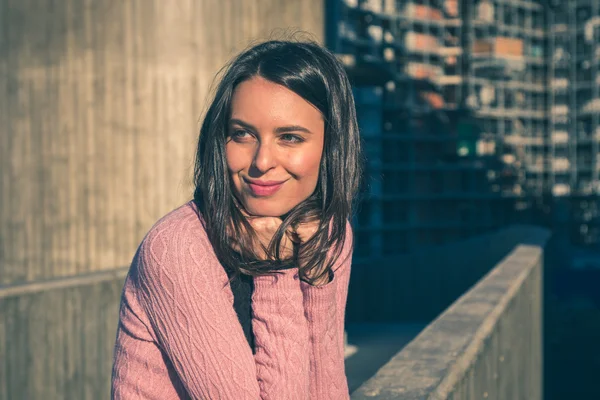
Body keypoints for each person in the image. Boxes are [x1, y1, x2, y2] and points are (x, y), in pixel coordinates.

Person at [111, 39, 362, 399]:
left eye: (289, 138)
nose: (261, 162)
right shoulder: (179, 249)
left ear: (331, 146)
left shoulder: (327, 233)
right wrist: (278, 270)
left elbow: (328, 386)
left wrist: (316, 277)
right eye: (242, 134)